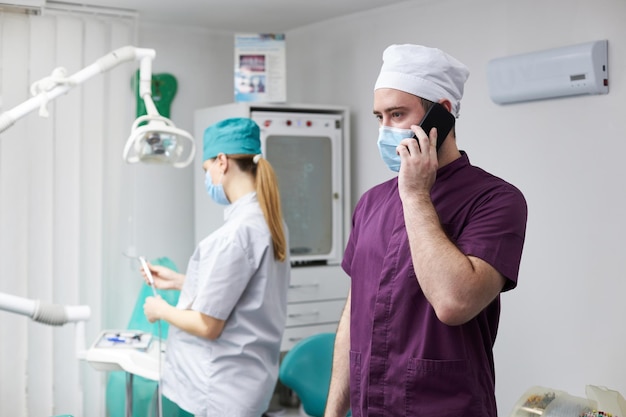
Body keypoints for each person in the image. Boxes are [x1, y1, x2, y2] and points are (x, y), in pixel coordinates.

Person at [324, 44, 528, 417]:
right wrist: (334, 411)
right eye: (379, 117)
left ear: (442, 114)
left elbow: (455, 303)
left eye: (397, 114)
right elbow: (355, 310)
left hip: (445, 406)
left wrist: (416, 196)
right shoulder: (371, 203)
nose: (385, 130)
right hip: (371, 406)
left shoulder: (496, 200)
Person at [143, 117, 291, 417]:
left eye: (206, 168)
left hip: (222, 389)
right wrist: (178, 281)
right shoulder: (271, 221)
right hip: (250, 383)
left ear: (222, 161)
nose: (207, 176)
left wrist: (160, 310)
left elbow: (208, 326)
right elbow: (244, 292)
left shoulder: (234, 234)